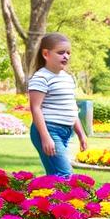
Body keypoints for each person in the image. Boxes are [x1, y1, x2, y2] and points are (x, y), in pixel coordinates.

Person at [28, 32, 88, 177]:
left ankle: (44, 199)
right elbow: (35, 108)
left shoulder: (67, 78)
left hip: (66, 132)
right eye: (61, 52)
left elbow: (71, 109)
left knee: (55, 176)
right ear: (46, 54)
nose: (66, 56)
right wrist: (45, 136)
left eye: (68, 53)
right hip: (49, 130)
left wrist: (81, 134)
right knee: (65, 174)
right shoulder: (41, 77)